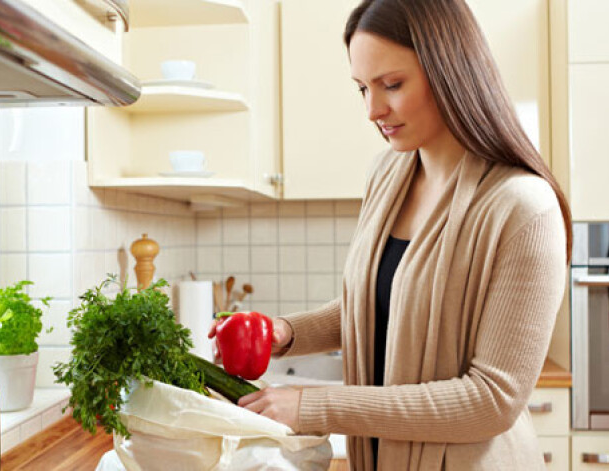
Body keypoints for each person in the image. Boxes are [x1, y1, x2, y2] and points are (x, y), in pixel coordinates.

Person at [210, 0, 571, 469]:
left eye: (392, 85)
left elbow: (492, 399)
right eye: (362, 88)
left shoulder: (523, 207)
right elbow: (391, 302)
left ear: (449, 72)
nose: (371, 109)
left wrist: (314, 406)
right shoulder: (388, 175)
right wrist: (286, 333)